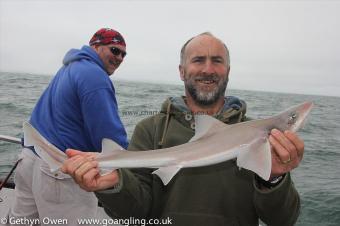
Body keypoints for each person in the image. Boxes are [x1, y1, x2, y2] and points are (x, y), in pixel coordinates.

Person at [62, 32, 304, 226]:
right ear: (181, 71)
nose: (208, 69)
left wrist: (274, 179)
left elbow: (282, 220)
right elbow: (134, 214)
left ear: (227, 71)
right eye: (198, 60)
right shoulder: (151, 129)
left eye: (217, 61)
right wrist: (114, 186)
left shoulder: (259, 138)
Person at [8, 28, 129, 225]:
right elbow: (109, 138)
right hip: (62, 170)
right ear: (96, 47)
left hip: (29, 160)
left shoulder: (68, 68)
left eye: (123, 54)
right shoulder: (95, 76)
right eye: (114, 50)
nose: (120, 58)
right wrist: (131, 165)